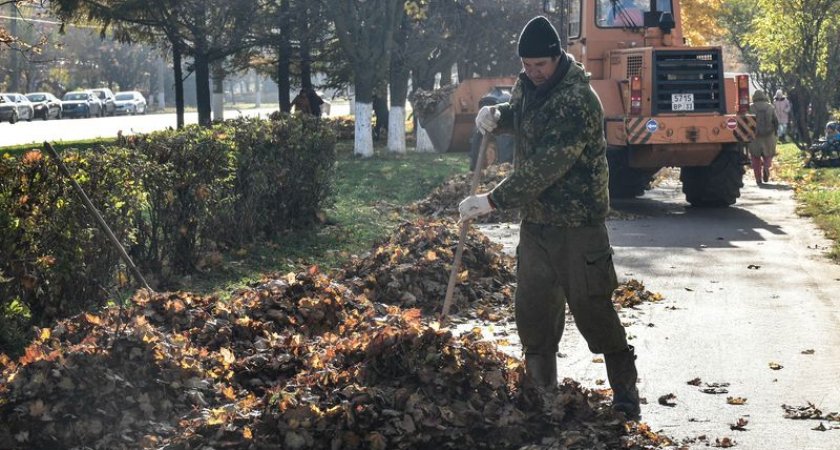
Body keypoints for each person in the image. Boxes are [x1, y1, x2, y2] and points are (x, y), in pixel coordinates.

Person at [458, 16, 640, 419]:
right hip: (537, 225)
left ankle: (626, 394)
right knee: (534, 313)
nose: (532, 72)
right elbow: (522, 113)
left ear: (558, 58)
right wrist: (498, 116)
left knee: (594, 311)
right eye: (526, 64)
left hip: (578, 227)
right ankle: (542, 394)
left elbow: (546, 166)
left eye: (540, 64)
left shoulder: (578, 101)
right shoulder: (530, 85)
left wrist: (492, 200)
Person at [748, 90, 779, 185]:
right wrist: (776, 132)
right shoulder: (770, 107)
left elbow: (746, 121)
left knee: (755, 157)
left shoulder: (750, 107)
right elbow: (776, 121)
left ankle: (758, 178)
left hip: (754, 136)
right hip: (769, 135)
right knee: (768, 154)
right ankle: (766, 167)